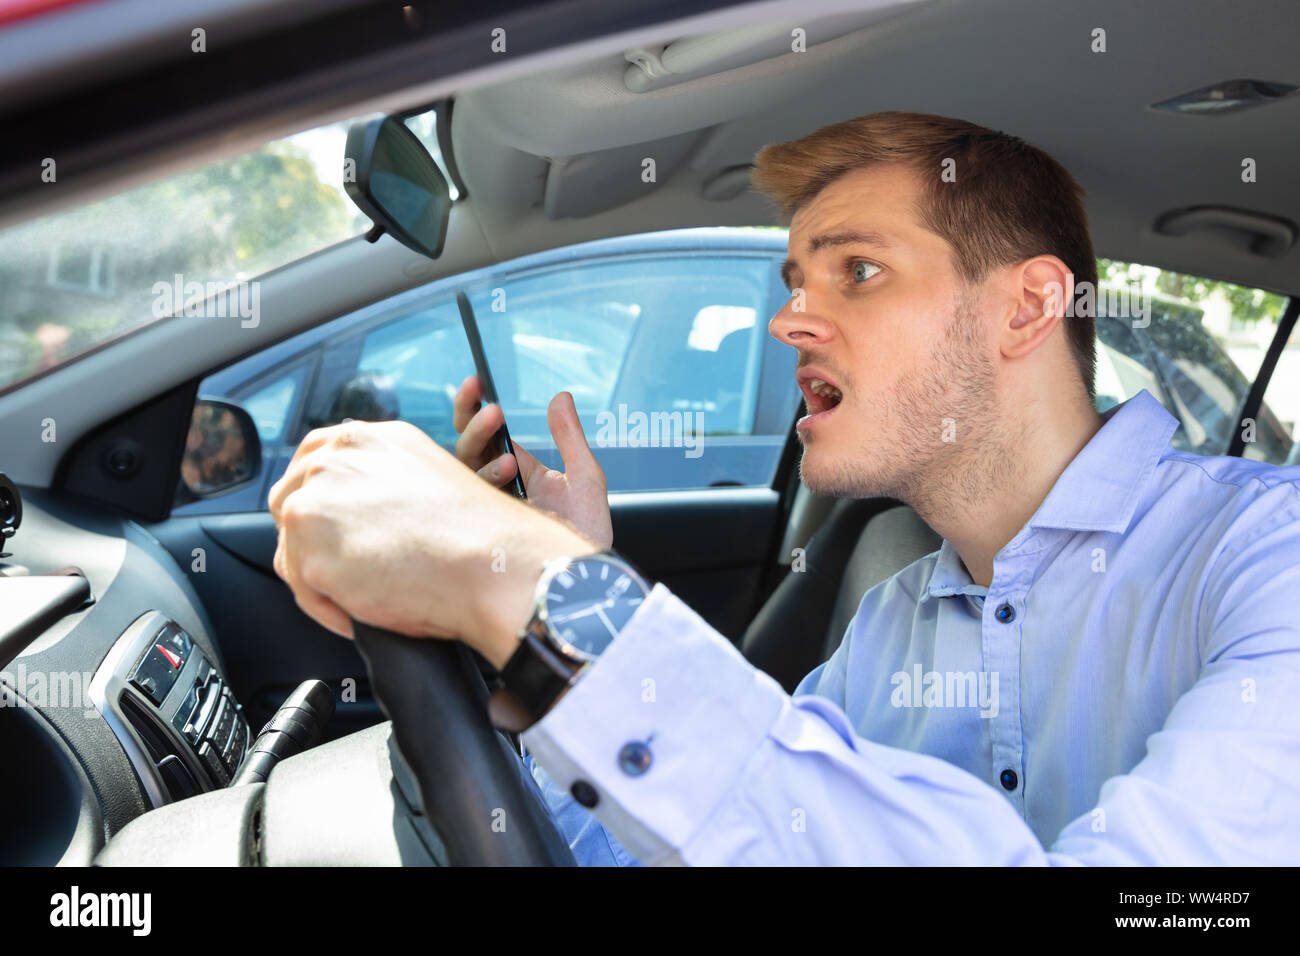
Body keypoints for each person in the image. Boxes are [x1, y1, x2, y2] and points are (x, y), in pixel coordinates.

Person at [269, 112, 1300, 865]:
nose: (789, 320)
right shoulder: (895, 619)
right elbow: (687, 842)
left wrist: (553, 599)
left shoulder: (1269, 560)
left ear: (1027, 308)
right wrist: (547, 624)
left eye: (855, 270)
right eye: (794, 283)